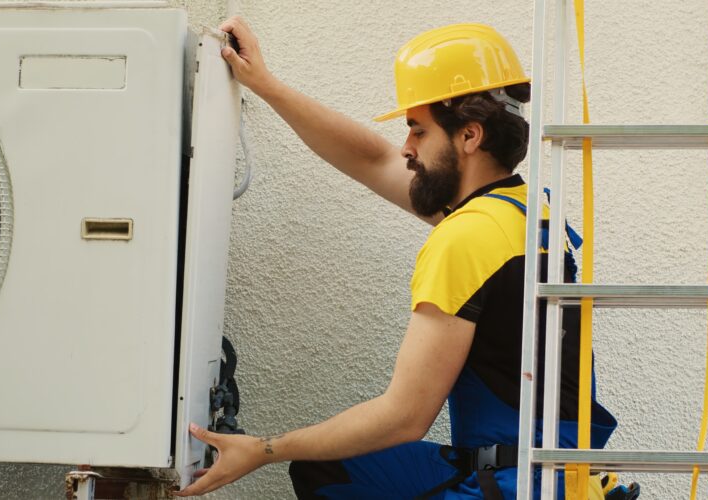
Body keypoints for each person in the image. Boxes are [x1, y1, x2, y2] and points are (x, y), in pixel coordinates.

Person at [176, 18, 621, 499]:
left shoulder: (466, 238)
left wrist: (263, 449)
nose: (406, 149)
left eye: (417, 130)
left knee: (320, 468)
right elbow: (374, 161)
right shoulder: (526, 213)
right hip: (562, 474)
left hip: (517, 486)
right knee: (330, 467)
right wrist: (266, 85)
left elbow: (404, 417)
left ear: (469, 137)